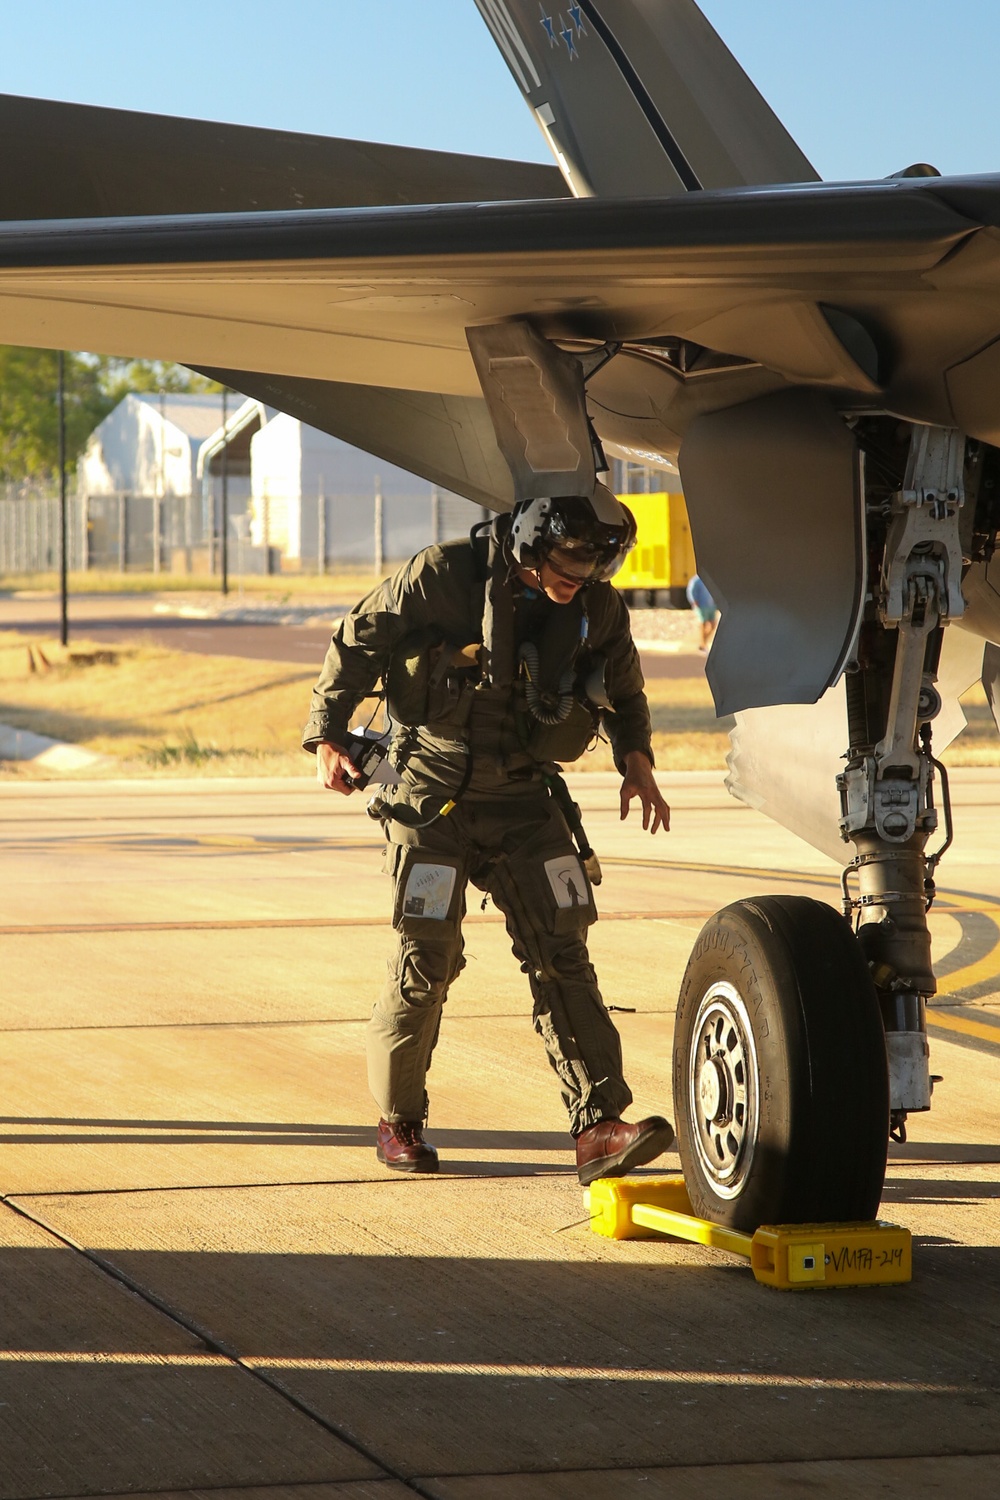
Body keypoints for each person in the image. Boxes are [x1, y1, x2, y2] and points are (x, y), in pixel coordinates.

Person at [303, 486, 674, 1185]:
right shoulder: (441, 577)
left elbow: (625, 691)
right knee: (427, 962)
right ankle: (398, 1120)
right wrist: (325, 734)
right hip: (429, 800)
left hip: (525, 800)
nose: (580, 578)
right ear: (532, 544)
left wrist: (637, 760)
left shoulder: (595, 603)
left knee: (563, 953)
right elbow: (357, 638)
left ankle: (598, 1126)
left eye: (595, 565)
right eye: (568, 562)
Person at [685, 573, 719, 653]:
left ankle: (703, 642)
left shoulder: (711, 580)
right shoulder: (696, 580)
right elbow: (690, 591)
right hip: (701, 606)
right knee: (703, 624)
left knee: (713, 625)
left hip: (711, 606)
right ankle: (703, 644)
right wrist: (694, 601)